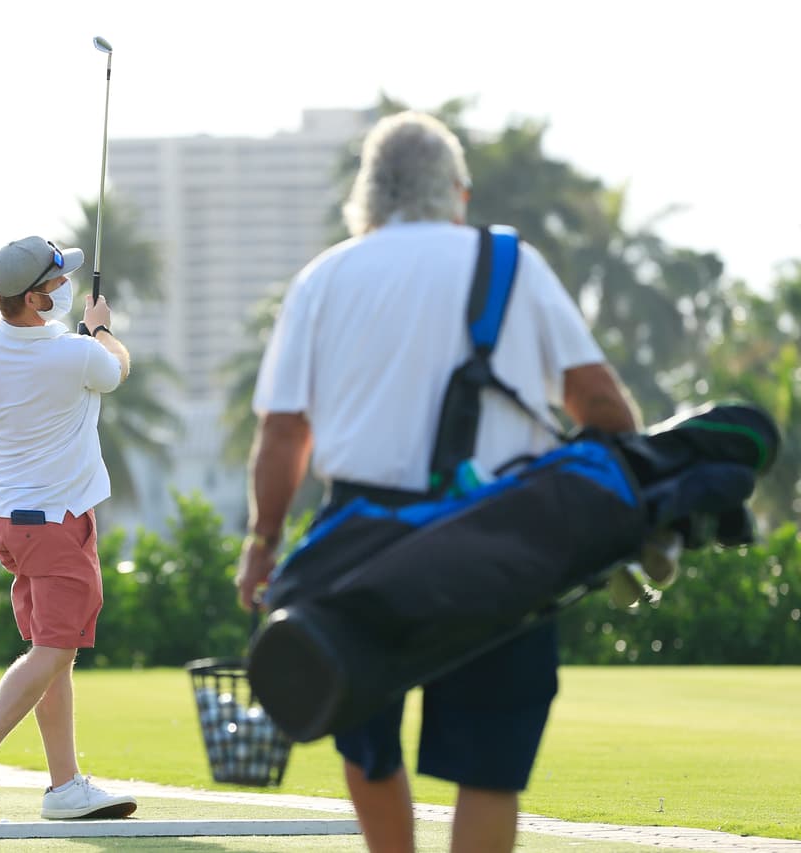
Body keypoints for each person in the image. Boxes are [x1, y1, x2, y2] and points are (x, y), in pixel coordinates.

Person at [235, 112, 640, 853]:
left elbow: (285, 432)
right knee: (489, 764)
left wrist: (262, 543)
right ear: (458, 192)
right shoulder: (514, 265)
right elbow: (602, 404)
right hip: (503, 539)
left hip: (361, 539)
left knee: (364, 738)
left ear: (369, 195)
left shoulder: (326, 276)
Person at [0, 235, 136, 820]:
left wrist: (76, 333)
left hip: (9, 522)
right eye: (57, 283)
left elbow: (37, 353)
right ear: (34, 299)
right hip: (56, 525)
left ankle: (65, 785)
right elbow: (117, 369)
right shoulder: (75, 354)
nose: (66, 289)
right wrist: (100, 328)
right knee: (54, 650)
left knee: (53, 652)